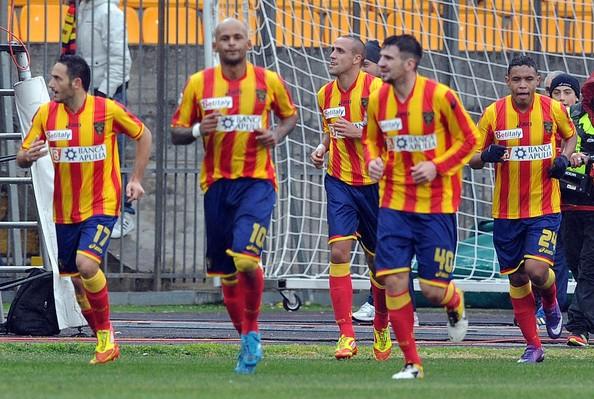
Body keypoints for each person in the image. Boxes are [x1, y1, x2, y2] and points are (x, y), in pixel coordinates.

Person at [170, 18, 297, 374]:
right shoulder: (199, 83)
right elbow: (176, 132)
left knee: (245, 258)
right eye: (224, 38)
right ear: (215, 45)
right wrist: (197, 129)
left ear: (249, 43)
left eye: (237, 37)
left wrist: (277, 133)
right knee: (226, 273)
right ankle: (246, 340)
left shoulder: (268, 81)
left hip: (258, 182)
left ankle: (253, 330)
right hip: (216, 185)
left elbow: (289, 118)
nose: (231, 43)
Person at [16, 54, 152, 364]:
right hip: (64, 212)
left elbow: (144, 135)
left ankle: (105, 339)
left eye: (57, 79)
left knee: (87, 266)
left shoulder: (107, 110)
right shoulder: (46, 115)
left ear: (76, 83)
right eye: (51, 78)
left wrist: (136, 179)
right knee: (77, 280)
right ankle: (102, 337)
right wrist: (28, 156)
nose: (51, 84)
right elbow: (22, 155)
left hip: (102, 204)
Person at [363, 34, 479, 379]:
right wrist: (374, 161)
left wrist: (437, 166)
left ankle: (453, 299)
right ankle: (412, 363)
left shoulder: (439, 96)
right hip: (394, 203)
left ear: (409, 64)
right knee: (394, 282)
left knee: (432, 289)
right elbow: (371, 140)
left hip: (436, 206)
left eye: (387, 58)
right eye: (380, 57)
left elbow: (470, 140)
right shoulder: (378, 99)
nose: (380, 63)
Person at [469, 55, 576, 363]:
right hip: (505, 213)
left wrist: (564, 158)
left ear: (538, 80)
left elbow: (570, 137)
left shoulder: (553, 109)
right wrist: (487, 155)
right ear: (507, 82)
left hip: (544, 207)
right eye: (517, 80)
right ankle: (533, 346)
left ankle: (551, 301)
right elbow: (471, 156)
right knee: (517, 279)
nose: (523, 85)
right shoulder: (493, 113)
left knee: (537, 270)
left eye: (528, 79)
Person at [310, 36, 387, 360]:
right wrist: (322, 147)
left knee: (378, 263)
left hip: (375, 185)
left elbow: (394, 133)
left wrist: (361, 133)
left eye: (339, 51)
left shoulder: (379, 92)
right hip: (340, 182)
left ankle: (381, 326)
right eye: (331, 50)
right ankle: (346, 335)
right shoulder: (324, 94)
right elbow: (331, 128)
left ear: (357, 58)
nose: (331, 55)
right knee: (339, 252)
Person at [352, 39, 419, 328]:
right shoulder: (362, 98)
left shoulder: (408, 97)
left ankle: (408, 306)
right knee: (377, 250)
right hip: (360, 183)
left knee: (396, 251)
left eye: (369, 64)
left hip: (404, 189)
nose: (371, 69)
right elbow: (367, 136)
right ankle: (377, 303)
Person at [76, 0, 135, 238]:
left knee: (114, 154)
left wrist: (102, 94)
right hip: (89, 93)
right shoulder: (83, 9)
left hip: (107, 93)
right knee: (93, 154)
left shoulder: (110, 12)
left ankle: (125, 213)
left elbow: (122, 60)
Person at [563, 71, 594, 347]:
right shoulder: (574, 116)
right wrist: (567, 155)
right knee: (574, 261)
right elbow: (559, 143)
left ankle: (578, 326)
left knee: (588, 267)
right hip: (570, 202)